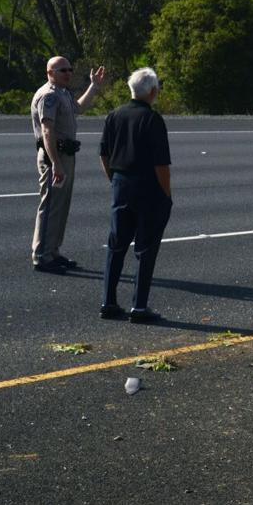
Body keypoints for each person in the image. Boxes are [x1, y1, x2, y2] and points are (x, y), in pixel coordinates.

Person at [98, 68, 173, 323]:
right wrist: (166, 194)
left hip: (121, 183)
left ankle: (108, 301)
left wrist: (114, 180)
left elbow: (104, 154)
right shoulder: (152, 119)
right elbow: (161, 164)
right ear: (152, 91)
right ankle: (139, 306)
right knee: (146, 247)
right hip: (147, 186)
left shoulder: (114, 115)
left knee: (116, 245)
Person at [30, 56, 109, 273]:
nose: (68, 73)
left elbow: (79, 108)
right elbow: (47, 131)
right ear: (50, 73)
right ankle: (42, 256)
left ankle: (53, 251)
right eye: (62, 70)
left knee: (61, 206)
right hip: (54, 156)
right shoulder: (49, 96)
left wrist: (94, 86)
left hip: (66, 155)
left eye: (69, 69)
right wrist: (55, 163)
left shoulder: (62, 93)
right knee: (50, 206)